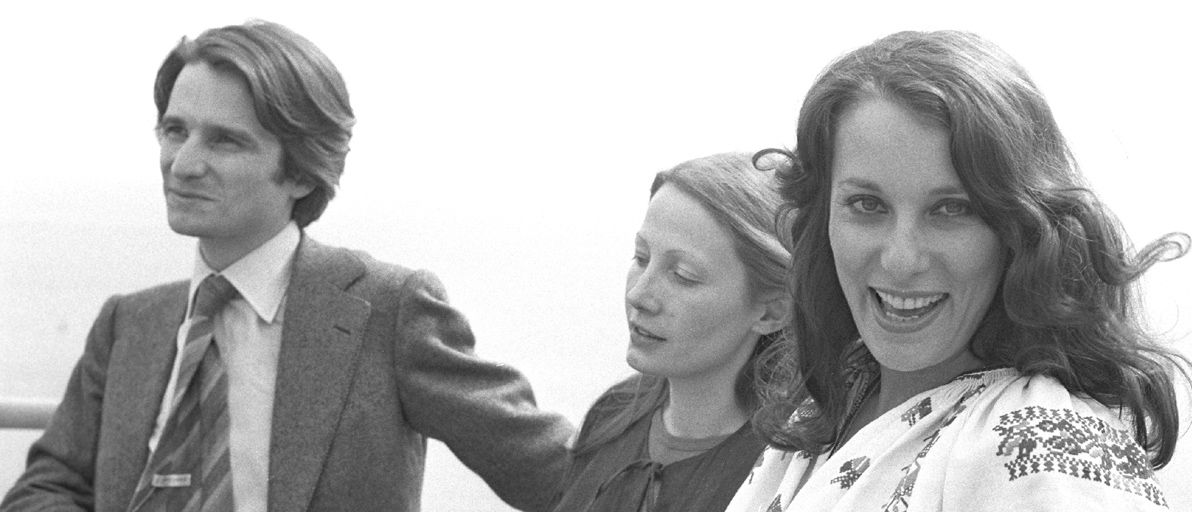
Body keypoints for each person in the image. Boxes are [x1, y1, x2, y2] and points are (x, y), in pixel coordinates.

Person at [1, 20, 571, 512]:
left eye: (225, 142)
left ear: (301, 171)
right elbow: (47, 486)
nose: (184, 164)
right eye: (175, 131)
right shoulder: (130, 324)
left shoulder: (387, 310)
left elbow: (555, 473)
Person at [726, 30, 1192, 511]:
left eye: (951, 210)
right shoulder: (834, 404)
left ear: (1020, 229)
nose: (901, 259)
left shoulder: (1041, 445)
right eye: (867, 205)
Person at [551, 153, 792, 512]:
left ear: (772, 311)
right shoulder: (613, 414)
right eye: (641, 257)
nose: (639, 296)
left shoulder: (785, 471)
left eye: (682, 275)